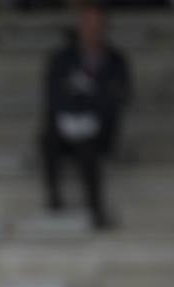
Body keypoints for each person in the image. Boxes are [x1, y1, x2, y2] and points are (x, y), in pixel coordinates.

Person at [38, 3, 131, 230]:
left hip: (97, 128)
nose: (92, 30)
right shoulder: (62, 58)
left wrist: (88, 103)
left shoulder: (115, 60)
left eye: (97, 25)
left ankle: (96, 209)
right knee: (48, 138)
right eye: (87, 24)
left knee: (88, 148)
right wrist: (80, 105)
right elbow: (54, 94)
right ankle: (54, 196)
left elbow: (119, 97)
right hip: (65, 124)